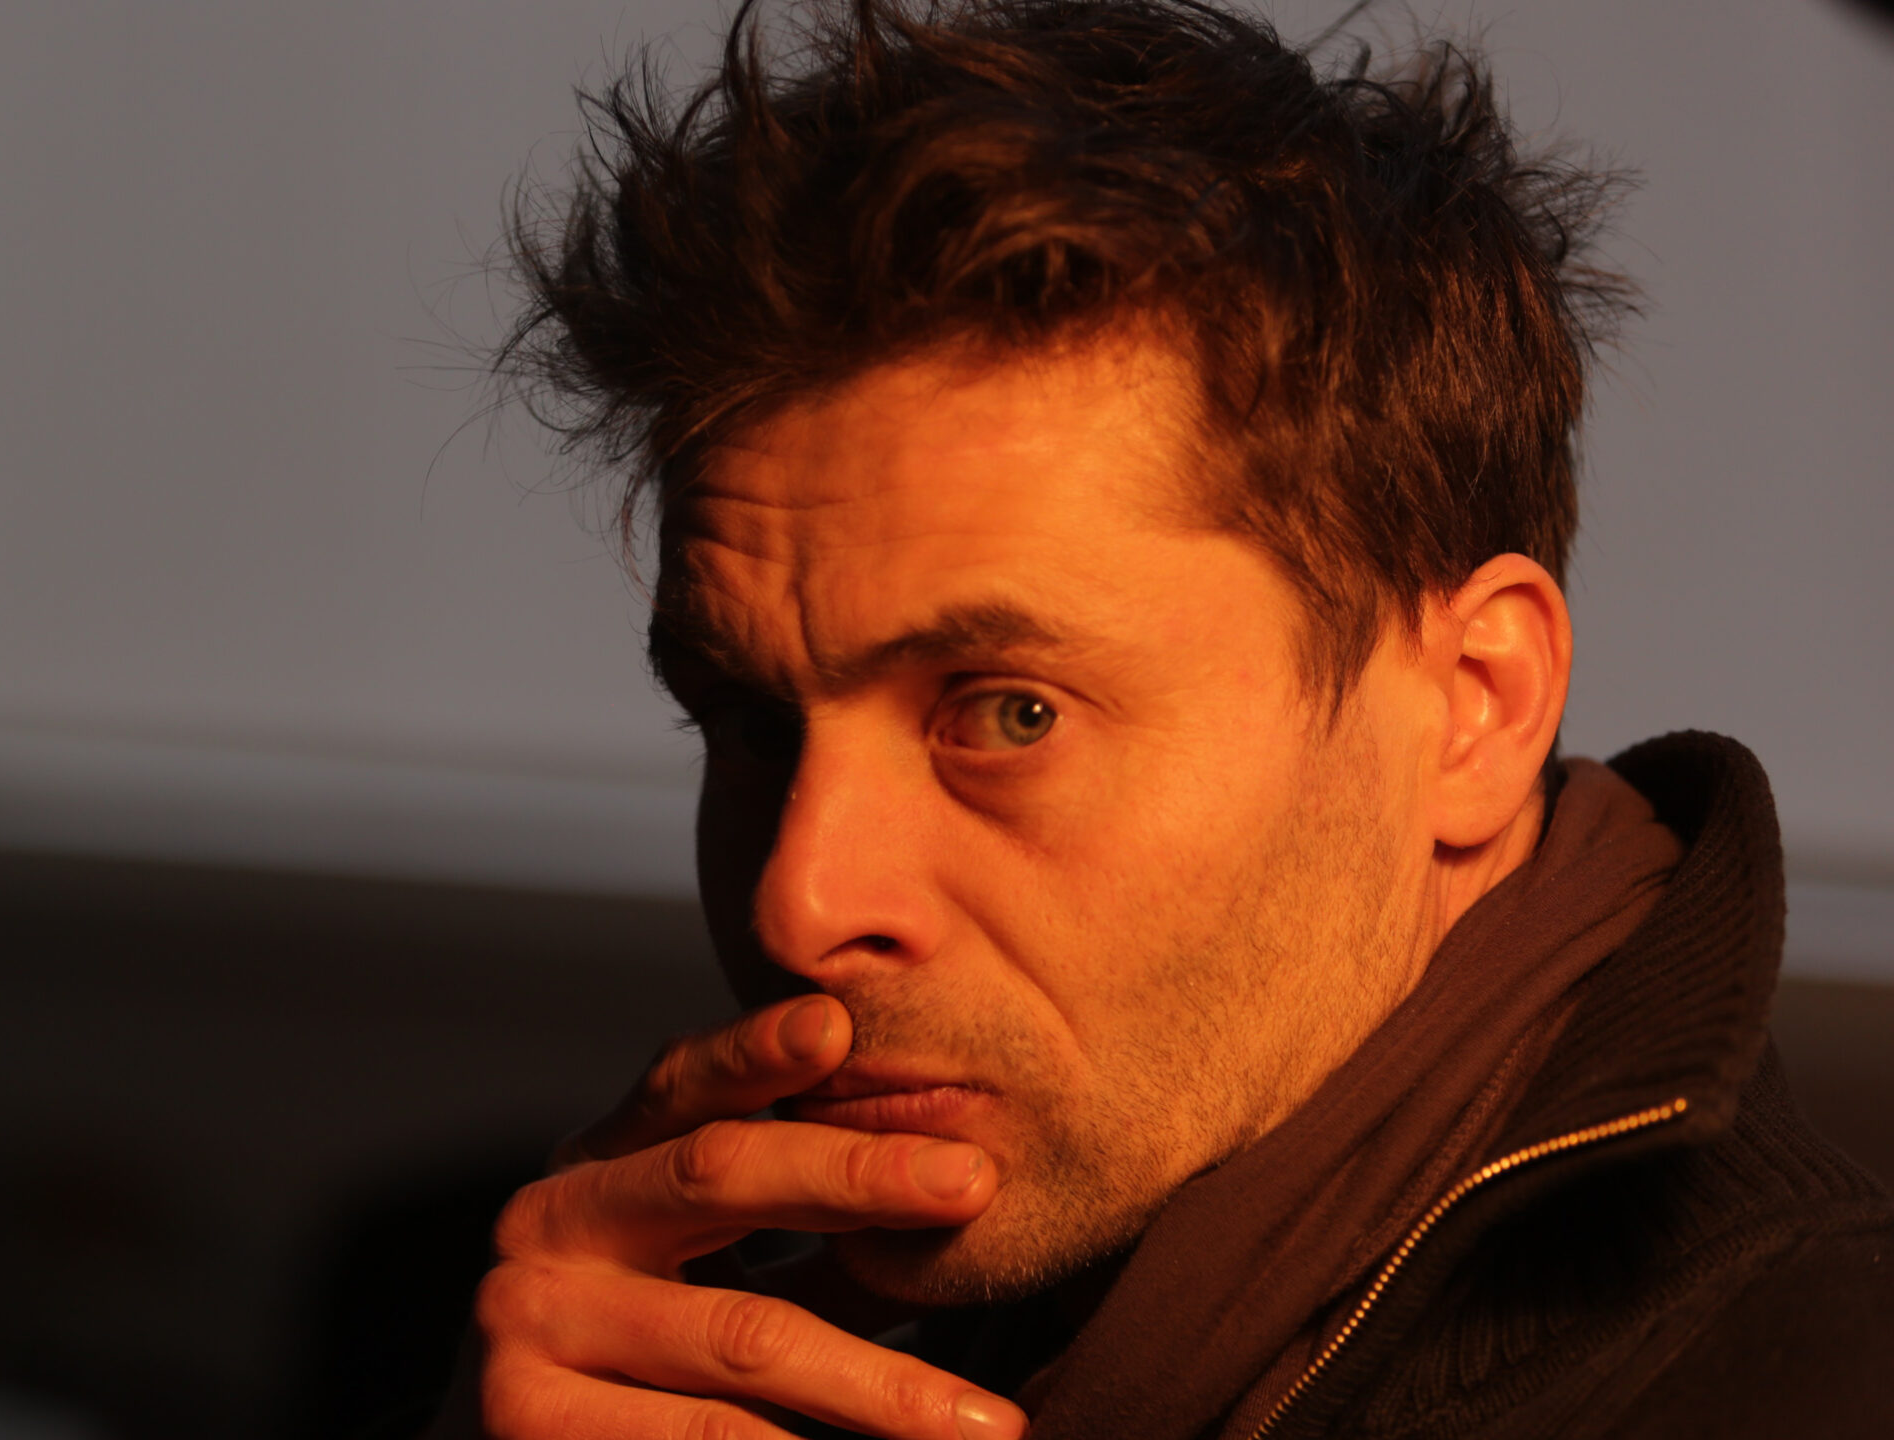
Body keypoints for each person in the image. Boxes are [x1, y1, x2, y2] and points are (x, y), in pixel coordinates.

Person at [417, 2, 1894, 1436]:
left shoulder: (1807, 1385)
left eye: (1009, 714)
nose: (801, 904)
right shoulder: (724, 1341)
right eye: (749, 724)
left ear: (1472, 711)